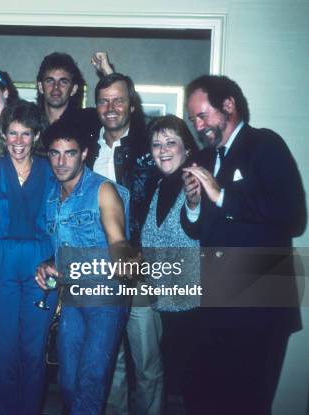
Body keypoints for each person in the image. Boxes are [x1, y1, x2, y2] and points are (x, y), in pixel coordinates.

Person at [180, 75, 306, 414]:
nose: (198, 125)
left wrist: (222, 197)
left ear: (229, 106)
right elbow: (198, 231)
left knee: (248, 403)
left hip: (261, 305)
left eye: (203, 115)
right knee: (204, 400)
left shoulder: (264, 145)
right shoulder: (206, 158)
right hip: (217, 302)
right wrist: (193, 204)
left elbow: (293, 217)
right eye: (193, 119)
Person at [36, 119, 130, 415]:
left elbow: (117, 239)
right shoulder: (51, 196)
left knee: (92, 381)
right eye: (55, 153)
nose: (62, 161)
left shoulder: (103, 191)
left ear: (85, 153)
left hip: (105, 295)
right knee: (67, 382)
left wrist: (124, 257)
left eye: (70, 153)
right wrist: (49, 264)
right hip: (72, 298)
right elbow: (61, 245)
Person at [0, 100, 53, 415]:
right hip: (0, 263)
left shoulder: (50, 171)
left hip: (40, 262)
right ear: (3, 135)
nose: (18, 142)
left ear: (36, 136)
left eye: (25, 134)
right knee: (3, 350)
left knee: (33, 351)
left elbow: (58, 223)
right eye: (12, 134)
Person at [92, 73, 163, 415]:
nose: (111, 107)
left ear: (131, 106)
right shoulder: (87, 147)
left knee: (147, 362)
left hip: (138, 266)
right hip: (94, 266)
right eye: (104, 100)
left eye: (118, 100)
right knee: (111, 360)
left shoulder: (150, 150)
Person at [140, 115, 201, 409]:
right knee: (159, 386)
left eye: (171, 142)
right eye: (156, 144)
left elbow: (197, 222)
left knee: (190, 392)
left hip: (190, 311)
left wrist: (193, 203)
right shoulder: (156, 187)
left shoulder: (197, 183)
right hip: (157, 308)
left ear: (187, 149)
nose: (163, 149)